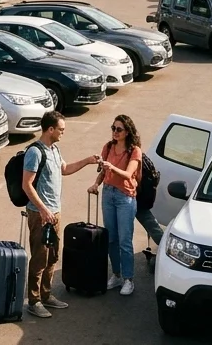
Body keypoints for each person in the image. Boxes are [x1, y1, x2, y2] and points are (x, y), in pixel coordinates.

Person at [22, 112, 103, 318]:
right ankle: (34, 301)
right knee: (40, 257)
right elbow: (26, 185)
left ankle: (46, 295)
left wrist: (88, 160)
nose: (63, 133)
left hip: (54, 213)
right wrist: (43, 209)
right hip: (40, 214)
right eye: (61, 129)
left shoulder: (54, 149)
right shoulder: (35, 152)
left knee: (53, 256)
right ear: (50, 129)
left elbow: (64, 169)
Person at [88, 115, 142, 297]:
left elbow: (128, 174)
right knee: (111, 238)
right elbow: (103, 171)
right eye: (113, 128)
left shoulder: (134, 151)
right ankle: (117, 275)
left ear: (127, 132)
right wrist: (96, 184)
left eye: (119, 129)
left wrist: (111, 167)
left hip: (125, 196)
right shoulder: (108, 147)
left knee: (125, 240)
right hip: (108, 193)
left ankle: (128, 279)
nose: (115, 132)